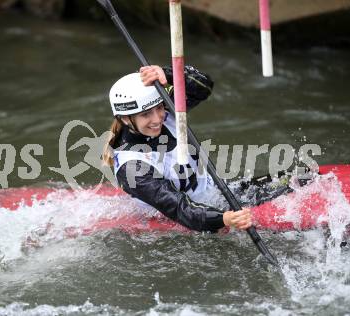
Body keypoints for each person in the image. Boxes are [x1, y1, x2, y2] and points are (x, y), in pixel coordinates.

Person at [102, 65, 252, 233]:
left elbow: (204, 87)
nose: (158, 118)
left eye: (159, 108)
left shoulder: (168, 111)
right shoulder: (133, 168)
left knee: (286, 181)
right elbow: (180, 209)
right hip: (185, 217)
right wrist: (223, 219)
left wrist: (168, 74)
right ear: (125, 119)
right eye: (145, 114)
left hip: (216, 194)